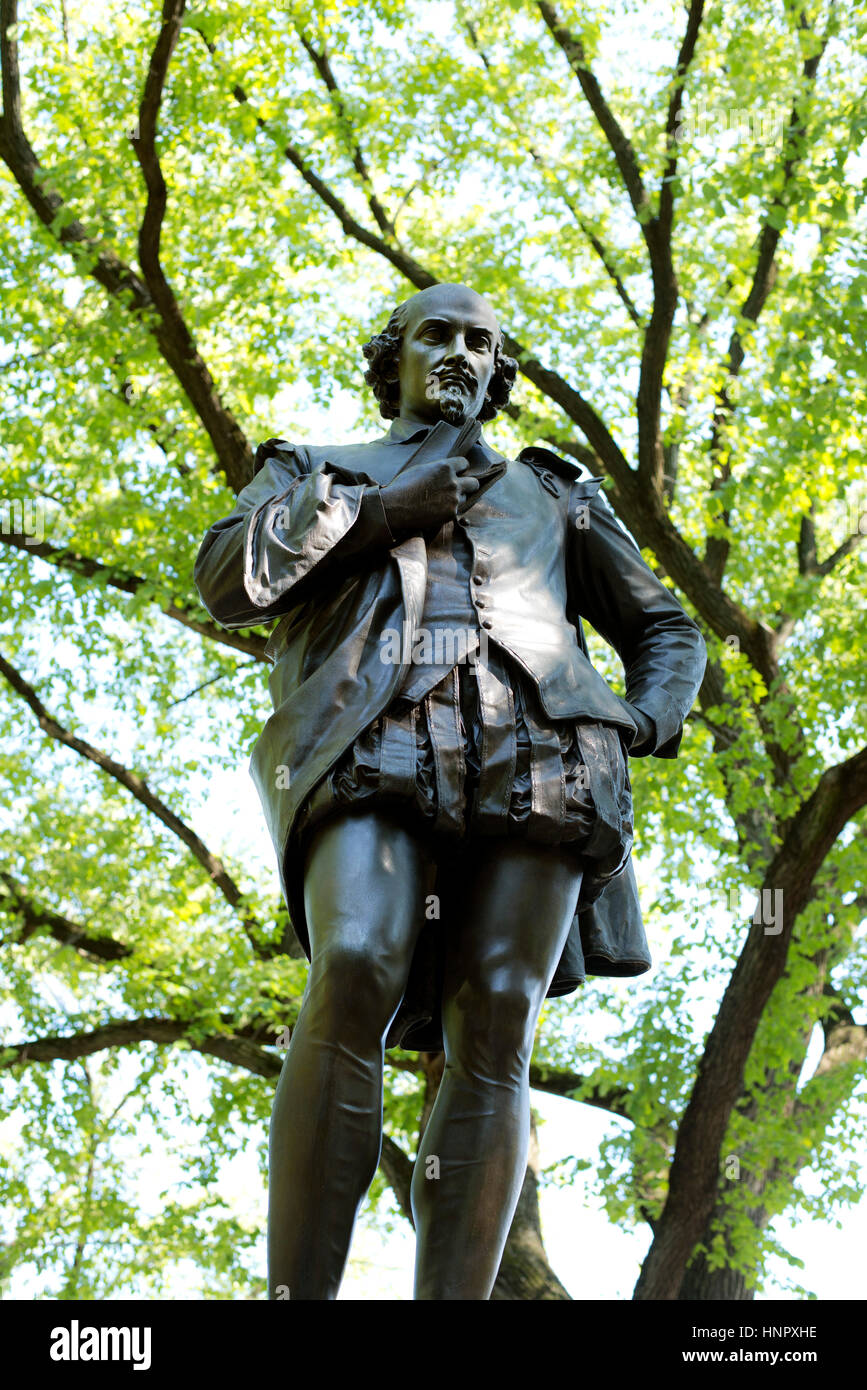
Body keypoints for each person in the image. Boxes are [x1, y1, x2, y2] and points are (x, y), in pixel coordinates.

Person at [193, 282, 706, 1300]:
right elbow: (228, 579)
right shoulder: (315, 470)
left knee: (503, 1011)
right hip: (369, 739)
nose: (461, 353)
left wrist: (642, 715)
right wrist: (379, 515)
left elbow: (666, 627)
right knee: (352, 961)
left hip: (542, 759)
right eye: (439, 334)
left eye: (482, 341)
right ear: (398, 358)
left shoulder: (556, 495)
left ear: (499, 370)